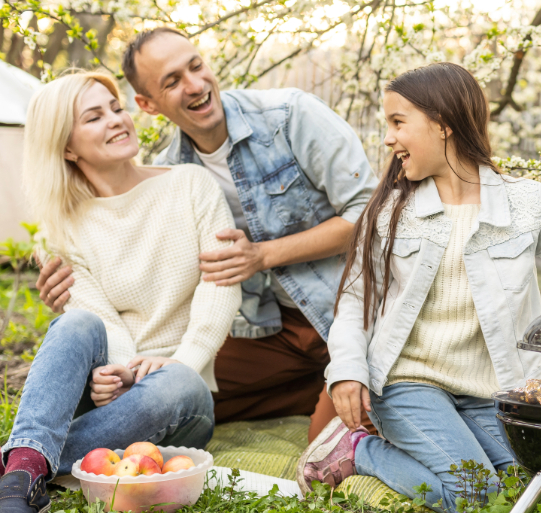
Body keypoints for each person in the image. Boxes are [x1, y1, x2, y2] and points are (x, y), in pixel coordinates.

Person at [297, 63, 541, 510]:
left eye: (398, 123)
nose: (388, 139)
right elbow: (355, 301)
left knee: (522, 492)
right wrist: (348, 370)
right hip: (406, 382)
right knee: (474, 493)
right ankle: (360, 450)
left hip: (493, 390)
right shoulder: (391, 210)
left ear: (443, 124)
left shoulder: (525, 202)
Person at [34, 28, 379, 442]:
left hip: (351, 314)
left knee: (335, 439)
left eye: (195, 66)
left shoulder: (290, 115)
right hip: (269, 328)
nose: (195, 85)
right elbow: (152, 286)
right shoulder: (173, 173)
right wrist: (73, 301)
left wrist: (264, 254)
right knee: (175, 393)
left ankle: (334, 389)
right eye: (172, 81)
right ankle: (309, 390)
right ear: (147, 104)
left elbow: (373, 214)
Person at [0, 71, 241, 513]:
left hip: (179, 395)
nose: (117, 120)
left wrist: (177, 362)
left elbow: (220, 285)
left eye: (115, 108)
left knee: (179, 382)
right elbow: (99, 319)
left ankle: (22, 462)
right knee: (75, 322)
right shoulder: (59, 227)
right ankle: (24, 476)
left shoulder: (190, 185)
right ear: (67, 147)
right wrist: (118, 373)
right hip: (103, 392)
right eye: (95, 116)